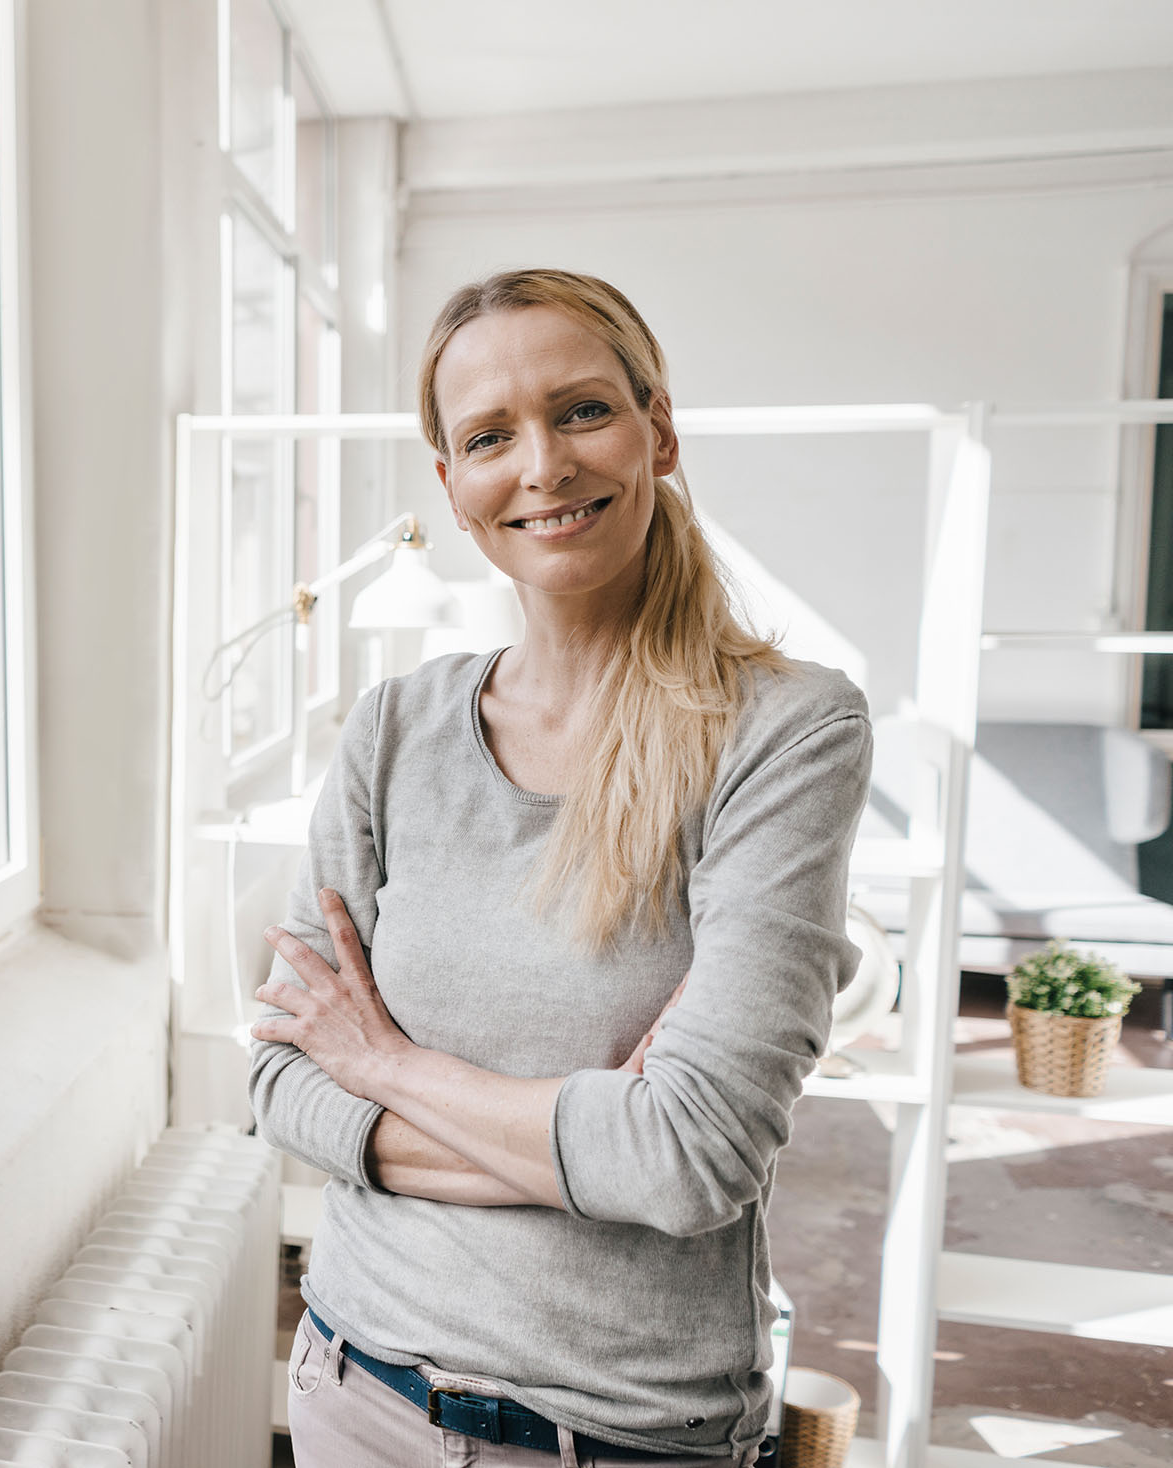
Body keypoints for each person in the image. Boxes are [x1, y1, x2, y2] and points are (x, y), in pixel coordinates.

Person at [248, 268, 872, 1468]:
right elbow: (280, 1083)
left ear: (659, 429)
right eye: (490, 435)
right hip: (352, 1385)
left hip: (615, 1433)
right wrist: (583, 1143)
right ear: (453, 486)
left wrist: (379, 1062)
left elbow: (689, 1158)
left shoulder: (786, 730)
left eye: (582, 410)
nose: (540, 464)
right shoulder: (393, 727)